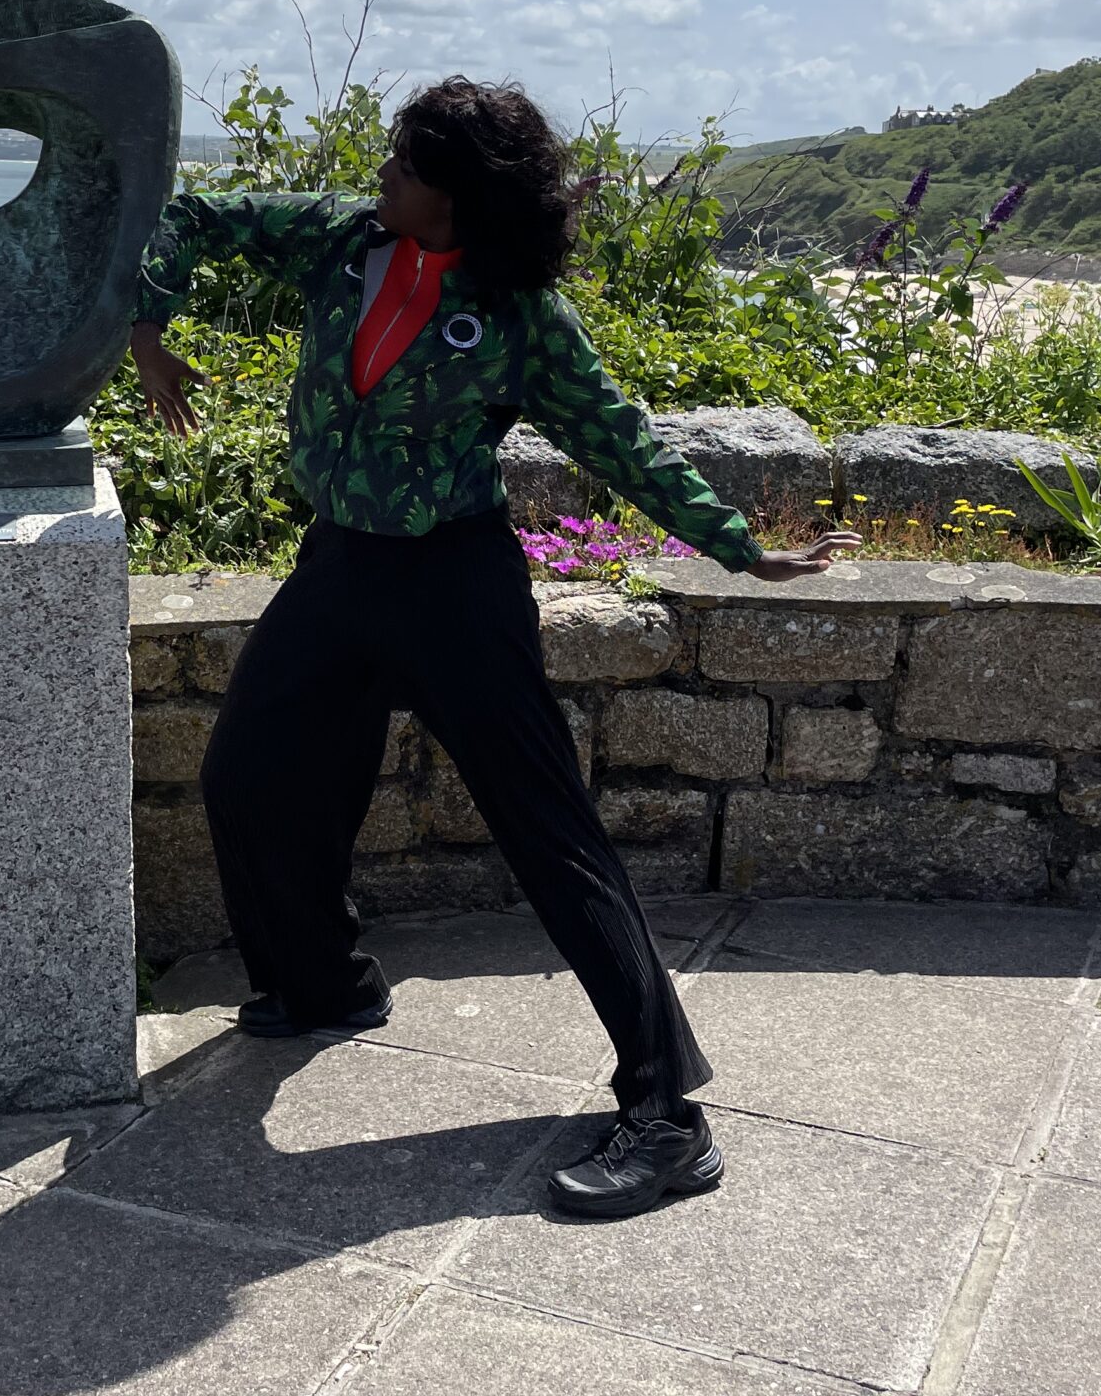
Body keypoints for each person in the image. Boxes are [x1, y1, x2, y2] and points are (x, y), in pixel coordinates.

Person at [129, 76, 859, 1221]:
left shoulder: (519, 315)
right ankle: (324, 985)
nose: (383, 176)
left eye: (406, 165)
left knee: (547, 835)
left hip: (452, 584)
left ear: (458, 194)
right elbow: (184, 215)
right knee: (246, 777)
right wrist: (147, 325)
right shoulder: (343, 238)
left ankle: (667, 1114)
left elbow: (623, 442)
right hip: (339, 568)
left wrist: (737, 549)